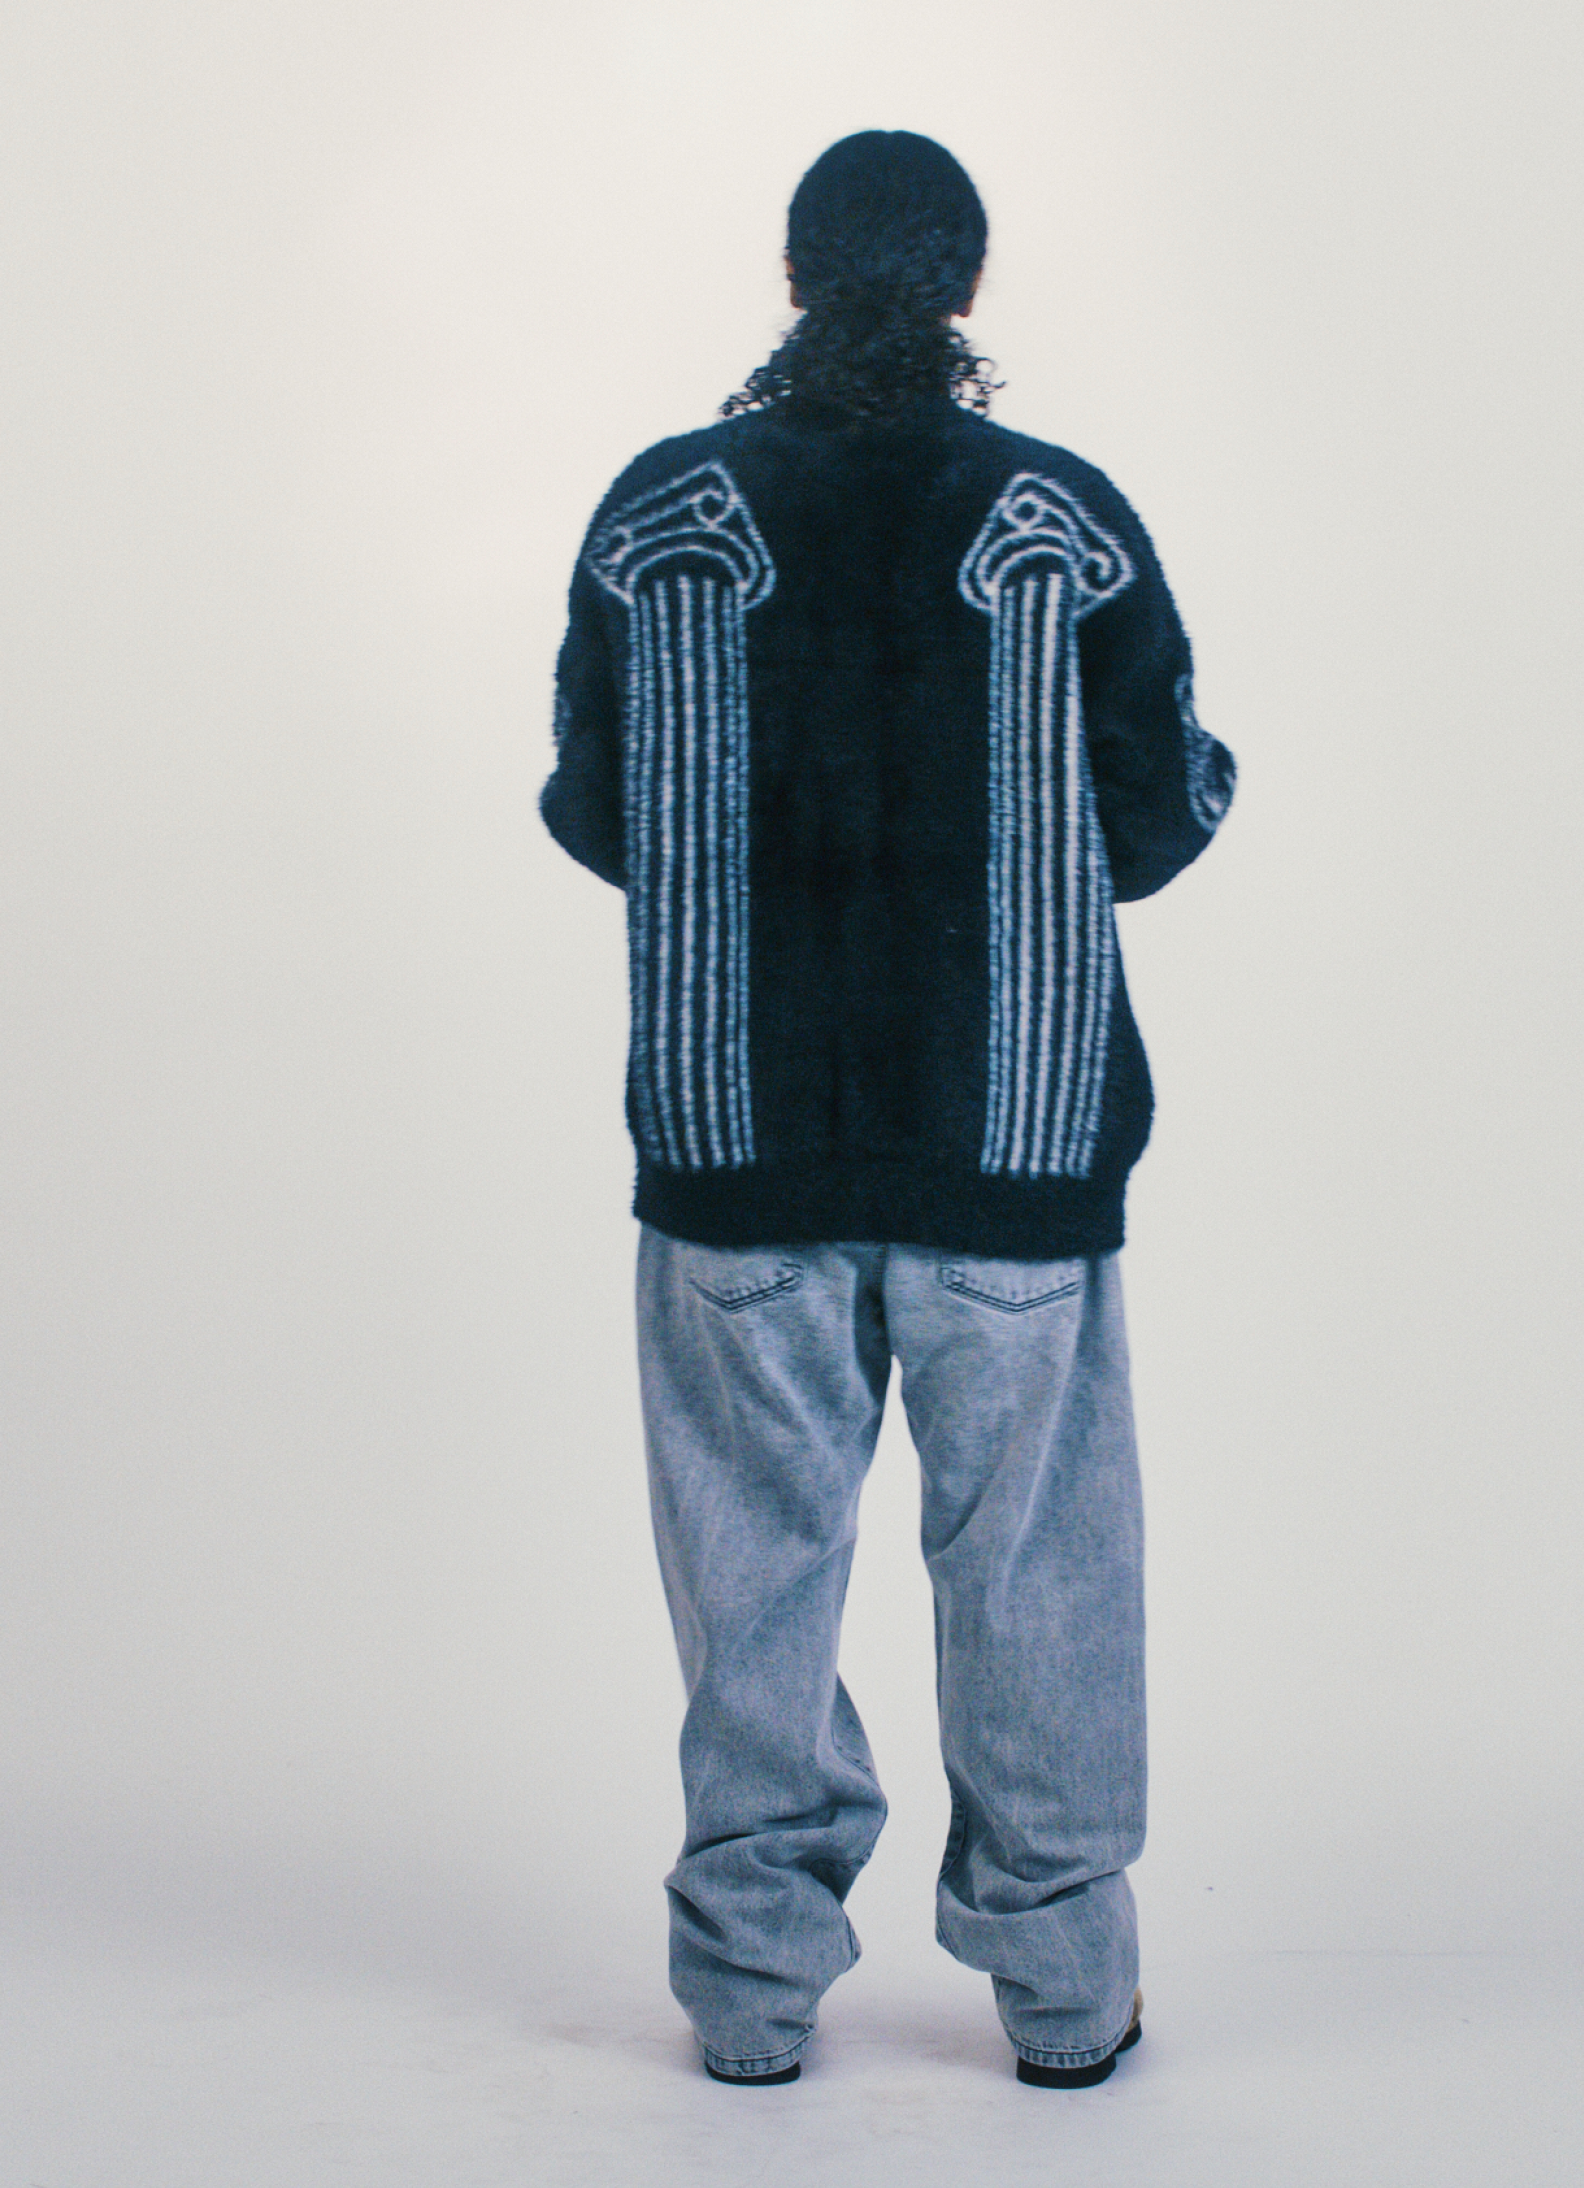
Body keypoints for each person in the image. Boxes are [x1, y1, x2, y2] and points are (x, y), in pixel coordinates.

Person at [541, 129, 1235, 2090]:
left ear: (793, 279)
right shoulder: (1060, 516)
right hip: (1010, 1144)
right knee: (1037, 1575)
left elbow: (595, 808)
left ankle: (750, 1997)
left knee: (749, 1577)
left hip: (732, 1146)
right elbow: (1156, 817)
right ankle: (1065, 1991)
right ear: (964, 289)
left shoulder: (658, 511)